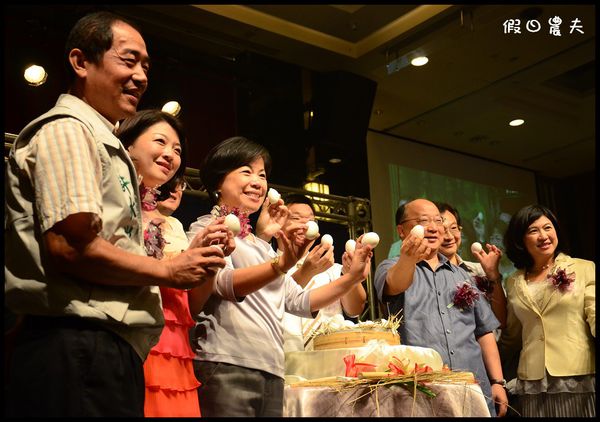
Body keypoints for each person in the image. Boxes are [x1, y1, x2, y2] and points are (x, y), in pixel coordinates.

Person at [4, 12, 225, 417]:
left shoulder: (101, 139)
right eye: (128, 60)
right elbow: (71, 246)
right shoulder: (69, 129)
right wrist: (170, 272)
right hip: (76, 343)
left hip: (105, 346)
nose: (141, 76)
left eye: (145, 66)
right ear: (80, 62)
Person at [186, 136, 373, 417]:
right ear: (218, 181)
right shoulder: (205, 228)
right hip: (226, 363)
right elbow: (225, 284)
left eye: (262, 175)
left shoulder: (260, 245)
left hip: (272, 367)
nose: (258, 182)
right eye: (246, 171)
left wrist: (351, 277)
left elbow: (298, 300)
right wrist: (281, 264)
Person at [117, 110, 232, 416]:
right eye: (160, 142)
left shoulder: (172, 226)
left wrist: (210, 261)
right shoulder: (116, 205)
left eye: (178, 149)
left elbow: (191, 304)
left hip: (176, 344)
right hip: (132, 336)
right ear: (127, 146)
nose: (170, 154)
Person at [373, 198, 508, 417]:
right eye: (423, 221)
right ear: (401, 230)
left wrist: (497, 381)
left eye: (438, 221)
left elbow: (483, 331)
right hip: (420, 393)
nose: (434, 227)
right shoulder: (390, 267)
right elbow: (395, 284)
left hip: (473, 389)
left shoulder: (462, 275)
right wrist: (409, 257)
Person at [498, 204, 595, 417]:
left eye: (548, 228)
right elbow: (513, 336)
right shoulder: (513, 281)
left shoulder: (584, 268)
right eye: (533, 231)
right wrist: (487, 365)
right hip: (532, 383)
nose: (543, 236)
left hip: (577, 377)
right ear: (520, 239)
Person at [279, 194, 367, 352]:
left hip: (329, 358)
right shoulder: (270, 266)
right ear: (278, 223)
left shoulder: (332, 268)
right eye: (296, 218)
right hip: (284, 356)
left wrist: (351, 276)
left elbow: (355, 309)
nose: (305, 225)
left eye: (311, 220)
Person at [435, 202, 507, 329]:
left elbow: (501, 321)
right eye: (442, 230)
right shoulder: (424, 275)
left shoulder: (479, 270)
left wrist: (492, 274)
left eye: (454, 228)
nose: (449, 236)